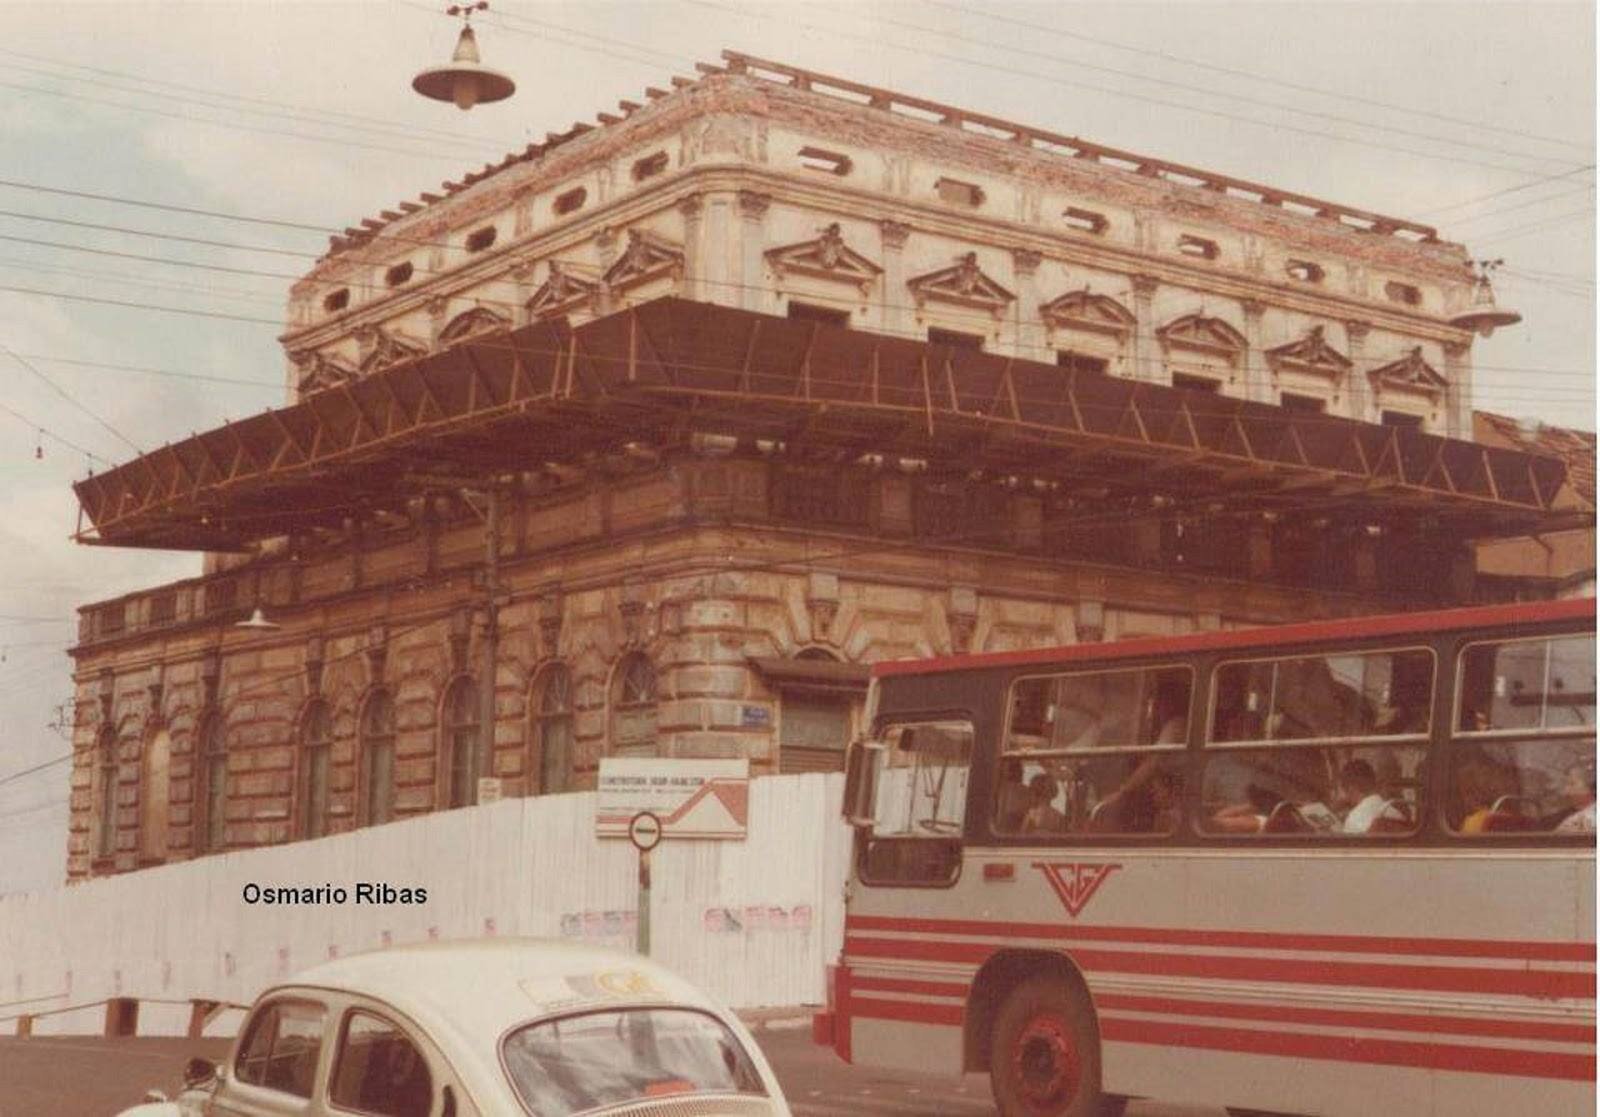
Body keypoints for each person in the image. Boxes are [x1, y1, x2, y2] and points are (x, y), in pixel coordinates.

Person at [1336, 759, 1405, 834]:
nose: (1344, 796)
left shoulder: (1353, 819)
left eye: (1343, 789)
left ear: (1351, 789)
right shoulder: (1396, 813)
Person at [1555, 764, 1596, 833]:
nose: (1566, 791)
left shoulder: (1575, 822)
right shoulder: (1562, 817)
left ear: (1591, 788)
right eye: (1565, 784)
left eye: (1572, 784)